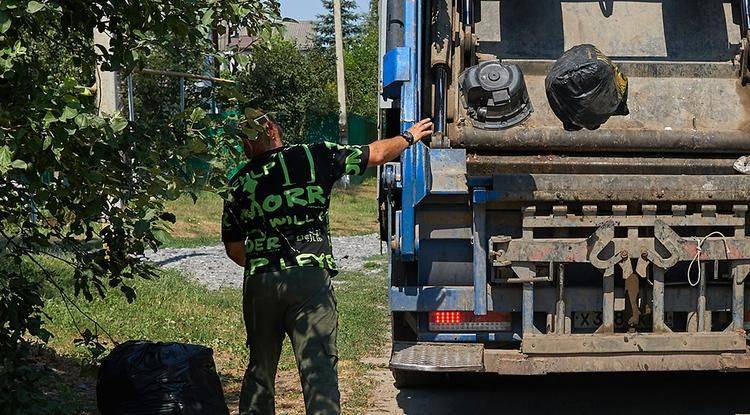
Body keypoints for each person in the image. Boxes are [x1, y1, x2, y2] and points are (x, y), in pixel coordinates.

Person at [222, 113, 433, 415]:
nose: (245, 145)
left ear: (259, 135)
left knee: (260, 368)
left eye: (245, 139)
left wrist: (265, 262)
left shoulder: (239, 182)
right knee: (318, 369)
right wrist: (409, 136)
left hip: (261, 282)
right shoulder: (314, 155)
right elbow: (375, 154)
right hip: (310, 279)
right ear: (273, 129)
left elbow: (234, 249)